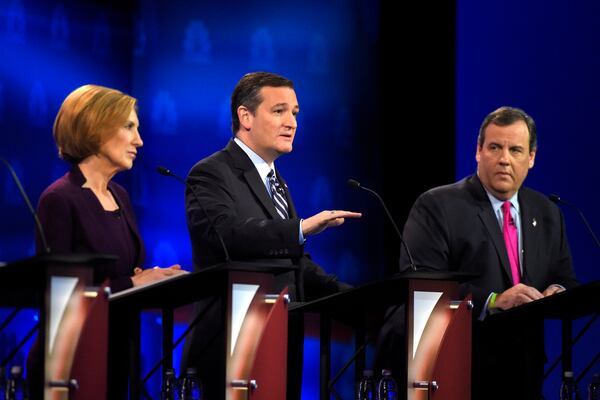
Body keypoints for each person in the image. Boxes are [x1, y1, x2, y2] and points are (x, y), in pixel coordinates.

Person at [181, 71, 361, 399]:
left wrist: (356, 298)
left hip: (279, 341)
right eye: (279, 111)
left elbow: (293, 263)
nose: (291, 122)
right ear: (245, 116)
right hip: (232, 346)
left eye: (295, 113)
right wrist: (300, 227)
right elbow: (228, 235)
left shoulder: (276, 180)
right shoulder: (210, 173)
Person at [397, 106, 578, 398]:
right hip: (461, 368)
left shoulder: (547, 212)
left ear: (531, 158)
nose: (505, 159)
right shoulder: (438, 205)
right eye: (495, 147)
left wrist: (556, 292)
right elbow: (422, 283)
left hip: (526, 369)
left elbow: (564, 277)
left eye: (516, 150)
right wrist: (492, 301)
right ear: (478, 151)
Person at [30, 84, 185, 397]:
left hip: (116, 352)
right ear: (94, 127)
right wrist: (135, 282)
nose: (139, 140)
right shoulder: (59, 200)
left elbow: (125, 274)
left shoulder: (120, 195)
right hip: (70, 360)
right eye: (129, 127)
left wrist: (152, 279)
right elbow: (60, 297)